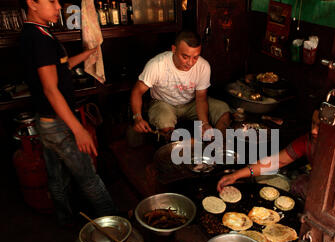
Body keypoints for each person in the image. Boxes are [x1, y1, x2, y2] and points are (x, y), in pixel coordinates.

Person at [20, 0, 118, 227]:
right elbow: (51, 89)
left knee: (56, 176)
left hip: (44, 120)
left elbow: (61, 68)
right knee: (89, 178)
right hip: (57, 124)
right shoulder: (39, 39)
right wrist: (78, 129)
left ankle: (64, 219)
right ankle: (117, 225)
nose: (58, 7)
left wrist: (89, 53)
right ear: (32, 3)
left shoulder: (33, 34)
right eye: (51, 1)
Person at [130, 30, 231, 140]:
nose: (190, 63)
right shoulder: (157, 64)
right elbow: (137, 91)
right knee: (165, 122)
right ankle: (176, 148)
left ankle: (217, 145)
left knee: (223, 109)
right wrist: (137, 117)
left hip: (191, 103)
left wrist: (204, 124)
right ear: (174, 49)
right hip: (163, 103)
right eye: (185, 57)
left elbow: (201, 98)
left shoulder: (203, 66)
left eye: (195, 57)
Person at [217, 109, 320, 199]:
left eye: (320, 126)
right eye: (313, 123)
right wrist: (235, 175)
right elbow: (277, 161)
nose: (314, 131)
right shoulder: (307, 141)